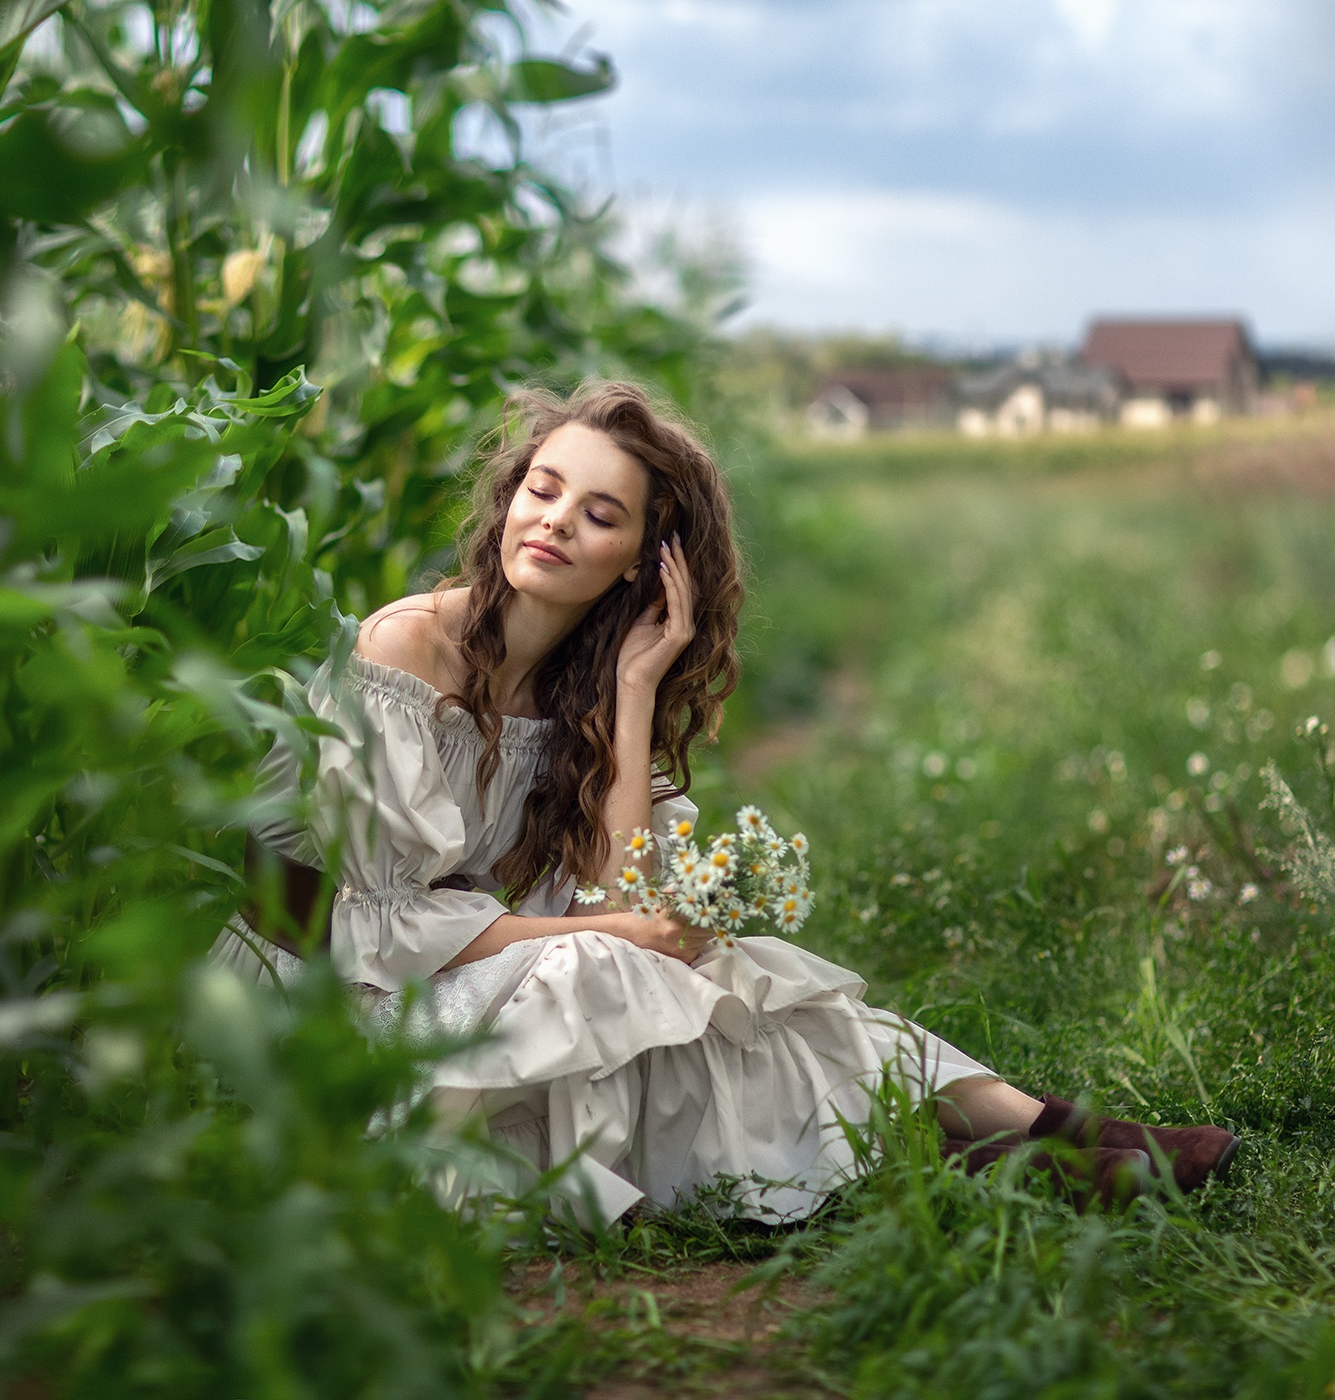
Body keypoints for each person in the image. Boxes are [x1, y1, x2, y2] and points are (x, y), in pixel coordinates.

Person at [222, 380, 1237, 1224]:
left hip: (445, 956)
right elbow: (382, 921)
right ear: (509, 497)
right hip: (323, 981)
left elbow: (616, 881)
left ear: (641, 563)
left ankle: (1047, 1132)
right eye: (543, 488)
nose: (555, 522)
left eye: (600, 513)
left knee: (720, 967)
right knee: (609, 965)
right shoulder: (407, 650)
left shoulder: (587, 677)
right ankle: (971, 1161)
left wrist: (630, 691)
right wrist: (618, 927)